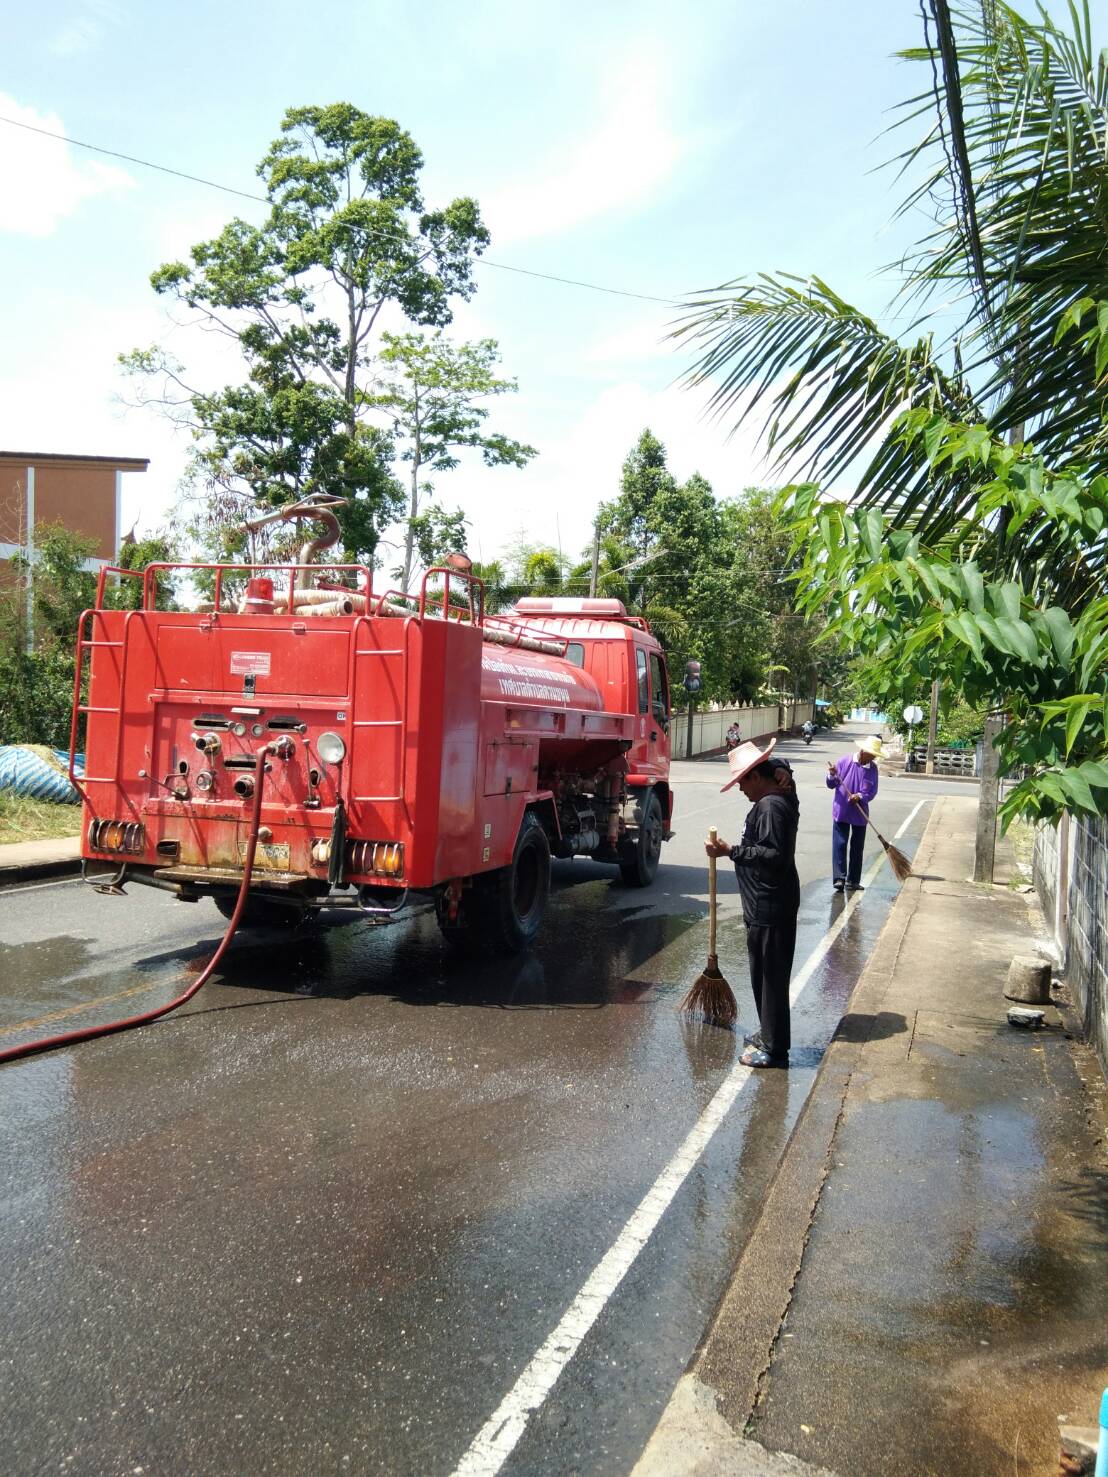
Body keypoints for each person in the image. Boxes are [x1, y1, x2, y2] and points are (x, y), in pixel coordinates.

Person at [706, 736, 800, 1068]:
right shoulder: (781, 792)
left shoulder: (771, 807)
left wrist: (731, 851)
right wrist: (780, 768)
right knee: (763, 975)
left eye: (742, 782)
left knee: (771, 979)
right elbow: (783, 770)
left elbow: (774, 855)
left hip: (769, 904)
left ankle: (775, 1050)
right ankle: (768, 1033)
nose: (742, 790)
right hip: (765, 904)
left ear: (756, 777)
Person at [826, 734, 883, 893]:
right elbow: (831, 784)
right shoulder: (845, 762)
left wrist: (860, 796)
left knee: (857, 847)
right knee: (840, 844)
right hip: (842, 811)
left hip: (860, 813)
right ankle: (839, 878)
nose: (872, 758)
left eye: (874, 755)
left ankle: (853, 880)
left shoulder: (873, 769)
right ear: (863, 750)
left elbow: (872, 792)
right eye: (871, 754)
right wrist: (831, 774)